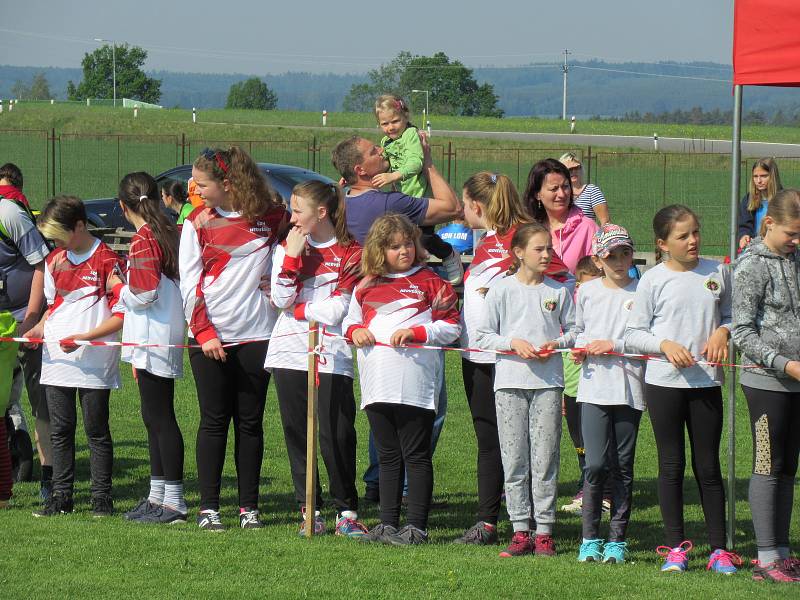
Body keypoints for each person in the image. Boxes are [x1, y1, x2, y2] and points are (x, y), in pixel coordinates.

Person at [331, 132, 461, 502]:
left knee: (381, 403)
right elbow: (450, 207)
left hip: (366, 311)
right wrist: (428, 161)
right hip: (403, 302)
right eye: (374, 151)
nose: (382, 151)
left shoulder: (341, 202)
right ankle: (406, 484)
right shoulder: (388, 202)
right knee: (428, 406)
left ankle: (379, 480)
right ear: (361, 169)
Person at [624, 204, 740, 574]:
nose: (693, 240)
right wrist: (664, 345)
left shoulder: (717, 272)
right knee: (671, 466)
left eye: (695, 232)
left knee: (708, 466)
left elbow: (733, 315)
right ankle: (676, 548)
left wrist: (723, 331)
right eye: (683, 236)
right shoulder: (653, 280)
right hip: (664, 386)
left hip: (706, 383)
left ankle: (719, 551)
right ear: (662, 244)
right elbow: (632, 334)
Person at [180, 146, 288, 531]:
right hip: (209, 338)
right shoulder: (196, 222)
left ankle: (249, 509)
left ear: (228, 184)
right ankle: (209, 508)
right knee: (213, 422)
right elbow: (189, 285)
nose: (194, 188)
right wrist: (205, 332)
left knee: (250, 423)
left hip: (258, 335)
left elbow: (296, 253)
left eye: (202, 183)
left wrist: (277, 282)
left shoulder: (273, 217)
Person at [343, 214, 460, 546]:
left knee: (415, 455)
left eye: (408, 243)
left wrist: (418, 331)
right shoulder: (365, 284)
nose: (404, 251)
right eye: (395, 247)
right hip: (376, 382)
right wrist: (356, 331)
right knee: (387, 454)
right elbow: (347, 324)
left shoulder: (431, 281)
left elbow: (453, 327)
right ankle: (387, 524)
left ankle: (416, 526)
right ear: (380, 250)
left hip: (416, 384)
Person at [265, 180, 366, 538]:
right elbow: (279, 297)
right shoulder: (289, 246)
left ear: (321, 212)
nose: (292, 217)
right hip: (288, 350)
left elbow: (340, 308)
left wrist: (300, 309)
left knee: (336, 432)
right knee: (296, 432)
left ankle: (347, 511)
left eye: (298, 209)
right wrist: (292, 256)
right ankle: (309, 508)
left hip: (332, 352)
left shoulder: (351, 252)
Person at [476, 222, 577, 558]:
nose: (547, 254)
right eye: (539, 249)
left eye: (549, 248)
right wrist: (512, 343)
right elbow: (482, 335)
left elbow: (577, 330)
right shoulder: (502, 290)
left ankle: (545, 531)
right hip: (509, 385)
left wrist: (558, 343)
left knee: (545, 457)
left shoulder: (558, 291)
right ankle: (521, 530)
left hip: (548, 384)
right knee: (514, 458)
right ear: (519, 253)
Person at [27, 195, 124, 518]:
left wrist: (84, 338)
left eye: (59, 234)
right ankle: (61, 496)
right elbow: (54, 307)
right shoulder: (55, 260)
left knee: (96, 430)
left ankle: (101, 498)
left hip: (94, 360)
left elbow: (121, 314)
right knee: (60, 429)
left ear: (80, 226)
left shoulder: (108, 259)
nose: (56, 242)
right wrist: (39, 329)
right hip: (57, 357)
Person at [453, 171, 534, 545]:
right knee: (491, 441)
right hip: (478, 358)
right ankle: (488, 522)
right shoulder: (488, 240)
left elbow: (558, 284)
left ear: (476, 205)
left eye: (463, 202)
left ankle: (530, 523)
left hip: (510, 360)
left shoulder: (523, 239)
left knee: (519, 443)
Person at [732, 189, 800, 583]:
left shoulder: (795, 259)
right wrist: (784, 363)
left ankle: (784, 551)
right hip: (765, 381)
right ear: (768, 224)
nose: (796, 242)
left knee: (789, 468)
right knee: (767, 465)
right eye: (791, 234)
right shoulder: (750, 265)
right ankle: (765, 556)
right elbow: (742, 330)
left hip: (795, 382)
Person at [116, 172, 187, 524]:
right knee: (152, 417)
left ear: (122, 207)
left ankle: (173, 502)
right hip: (158, 330)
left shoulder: (145, 238)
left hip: (154, 331)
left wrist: (119, 290)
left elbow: (144, 293)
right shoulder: (166, 231)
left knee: (160, 418)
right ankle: (156, 496)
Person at [572, 224, 644, 565]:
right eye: (610, 255)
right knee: (596, 464)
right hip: (593, 388)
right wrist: (579, 347)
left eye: (624, 253)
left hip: (629, 389)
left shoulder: (642, 293)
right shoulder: (587, 293)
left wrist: (613, 345)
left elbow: (647, 339)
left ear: (632, 254)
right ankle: (590, 538)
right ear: (598, 260)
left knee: (622, 467)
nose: (618, 261)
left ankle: (617, 539)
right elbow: (577, 330)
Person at [371, 94, 464, 284]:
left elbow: (416, 162)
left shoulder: (411, 135)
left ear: (406, 116)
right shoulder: (386, 142)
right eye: (385, 124)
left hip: (420, 197)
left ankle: (448, 253)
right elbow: (388, 163)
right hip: (401, 199)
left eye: (395, 121)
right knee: (404, 240)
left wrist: (394, 176)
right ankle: (417, 273)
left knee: (424, 238)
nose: (390, 127)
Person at [0, 164, 51, 501]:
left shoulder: (9, 214)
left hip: (22, 319)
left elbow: (41, 263)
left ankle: (50, 478)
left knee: (40, 400)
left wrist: (32, 319)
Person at [560, 256, 604, 516]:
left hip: (595, 389)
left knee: (597, 445)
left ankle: (601, 493)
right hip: (572, 391)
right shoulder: (574, 318)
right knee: (580, 444)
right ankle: (585, 485)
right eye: (580, 286)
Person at [523, 158, 599, 275]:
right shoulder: (527, 229)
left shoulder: (588, 228)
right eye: (554, 189)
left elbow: (596, 278)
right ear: (537, 194)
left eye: (565, 186)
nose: (562, 194)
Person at [737, 158, 783, 250]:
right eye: (755, 176)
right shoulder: (748, 199)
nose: (758, 181)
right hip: (754, 249)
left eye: (763, 176)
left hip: (778, 249)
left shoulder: (783, 199)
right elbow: (744, 225)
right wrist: (744, 235)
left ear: (773, 176)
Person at [558, 153, 610, 224]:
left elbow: (606, 222)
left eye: (576, 168)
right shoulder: (559, 193)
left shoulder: (592, 191)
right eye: (569, 169)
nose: (574, 172)